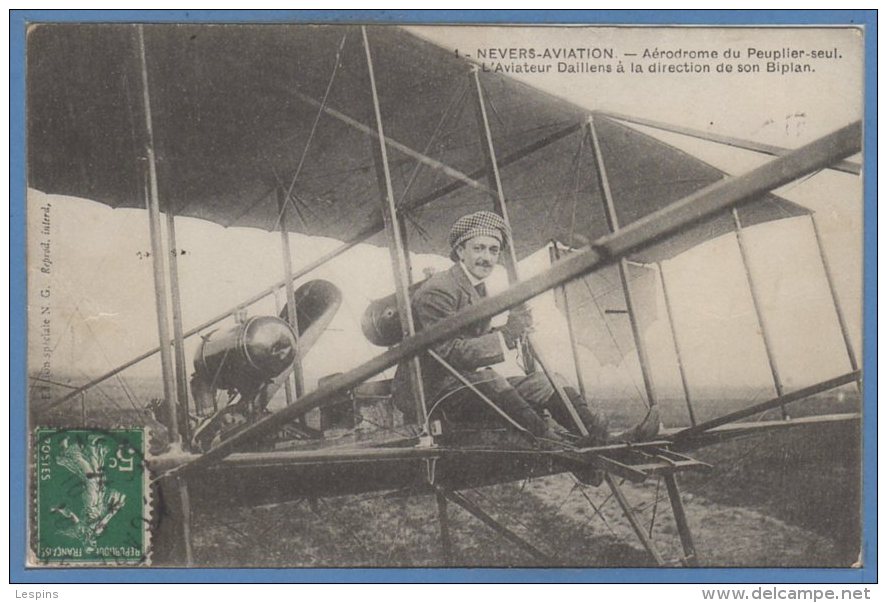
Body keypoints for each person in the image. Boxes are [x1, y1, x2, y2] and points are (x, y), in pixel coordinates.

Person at [392, 210, 659, 446]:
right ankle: (551, 443)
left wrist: (511, 330)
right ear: (460, 251)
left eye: (493, 250)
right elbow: (450, 352)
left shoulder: (474, 288)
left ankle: (601, 438)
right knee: (491, 379)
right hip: (430, 393)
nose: (487, 257)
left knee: (546, 381)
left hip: (463, 385)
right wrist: (506, 336)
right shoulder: (439, 290)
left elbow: (467, 340)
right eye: (479, 248)